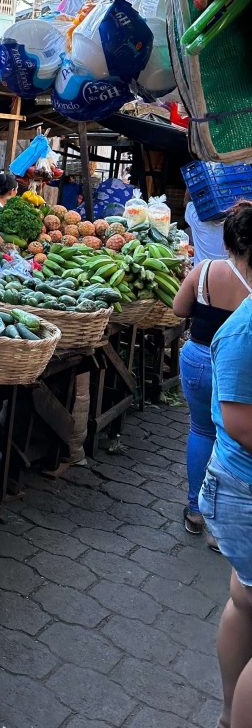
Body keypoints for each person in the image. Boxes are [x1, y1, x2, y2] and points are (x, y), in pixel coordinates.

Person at [197, 203, 252, 728]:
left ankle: (230, 712)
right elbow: (238, 423)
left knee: (245, 599)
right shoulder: (243, 331)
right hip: (243, 487)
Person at [173, 210, 252, 539]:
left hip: (199, 359)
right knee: (232, 441)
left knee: (201, 430)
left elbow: (179, 309)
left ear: (227, 239)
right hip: (240, 370)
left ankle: (195, 512)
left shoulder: (204, 270)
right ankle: (225, 530)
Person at [185, 199, 228, 266]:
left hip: (201, 273)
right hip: (227, 273)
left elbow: (187, 202)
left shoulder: (195, 216)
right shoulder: (235, 222)